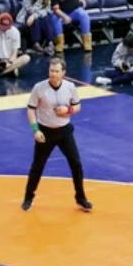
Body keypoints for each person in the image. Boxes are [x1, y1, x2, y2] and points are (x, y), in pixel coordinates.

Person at [23, 59, 91, 212]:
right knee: (38, 166)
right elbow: (30, 109)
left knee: (76, 164)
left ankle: (80, 198)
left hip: (64, 131)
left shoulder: (70, 87)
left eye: (56, 71)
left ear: (63, 73)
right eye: (51, 71)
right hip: (45, 131)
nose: (53, 74)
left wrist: (68, 111)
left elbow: (77, 106)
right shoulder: (39, 88)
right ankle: (28, 197)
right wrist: (35, 130)